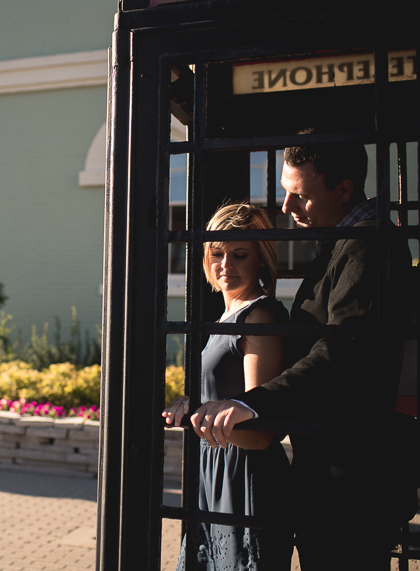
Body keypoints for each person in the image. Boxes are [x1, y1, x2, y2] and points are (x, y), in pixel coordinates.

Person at [194, 130, 412, 571]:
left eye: (300, 196)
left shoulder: (368, 246)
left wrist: (250, 403)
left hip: (351, 477)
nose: (287, 209)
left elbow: (340, 351)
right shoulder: (342, 242)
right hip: (330, 473)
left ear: (344, 189)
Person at [163, 202, 292, 571]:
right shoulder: (226, 315)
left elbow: (260, 433)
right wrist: (191, 404)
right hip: (215, 468)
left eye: (240, 255)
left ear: (261, 260)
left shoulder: (260, 316)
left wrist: (200, 416)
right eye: (217, 254)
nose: (226, 265)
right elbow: (222, 396)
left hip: (245, 476)